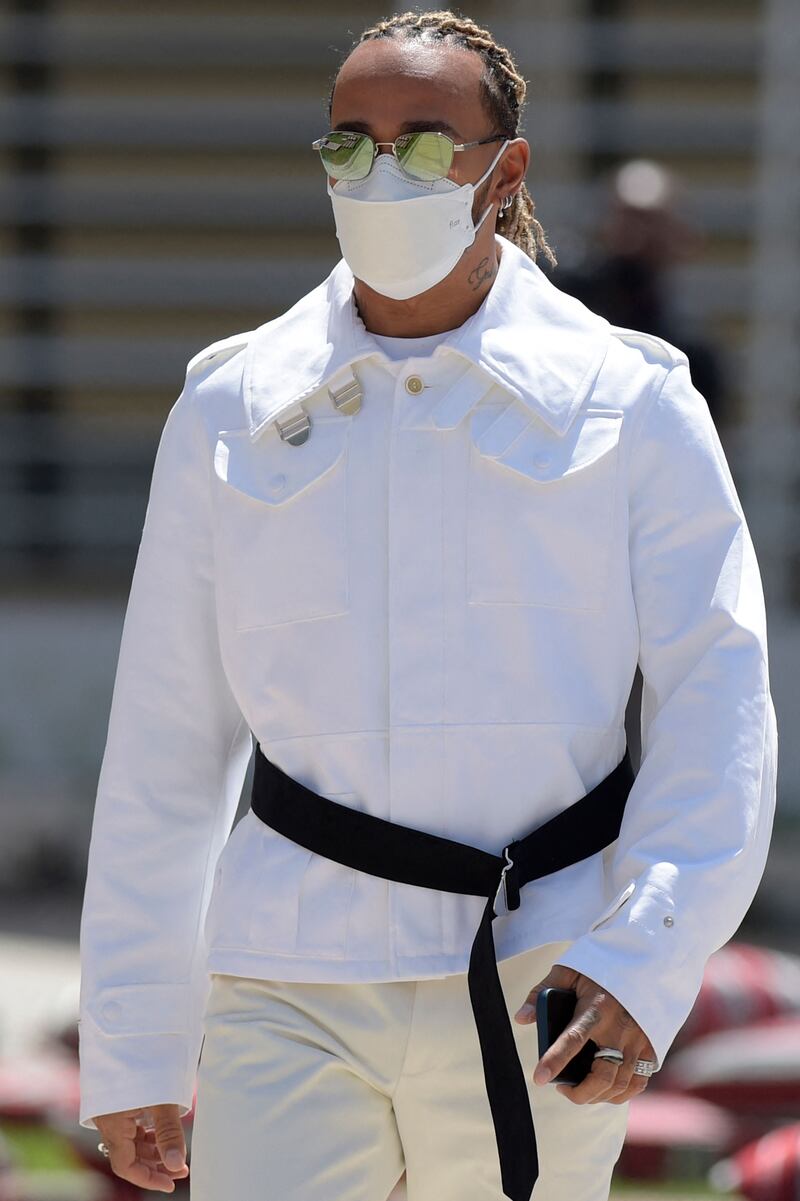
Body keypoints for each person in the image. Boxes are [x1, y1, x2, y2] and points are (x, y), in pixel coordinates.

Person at [77, 10, 778, 1201]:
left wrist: (640, 959)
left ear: (501, 170)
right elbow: (165, 739)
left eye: (420, 141)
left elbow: (718, 706)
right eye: (349, 143)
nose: (378, 171)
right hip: (285, 968)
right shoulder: (228, 404)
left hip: (541, 974)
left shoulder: (632, 400)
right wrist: (135, 1039)